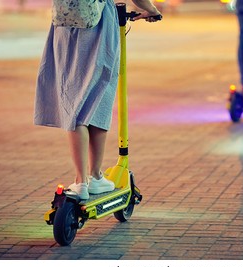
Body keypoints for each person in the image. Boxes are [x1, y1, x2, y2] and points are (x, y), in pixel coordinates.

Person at [34, 0, 161, 200]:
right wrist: (151, 10)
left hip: (65, 26)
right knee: (98, 98)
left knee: (73, 101)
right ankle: (93, 176)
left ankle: (80, 181)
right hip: (99, 27)